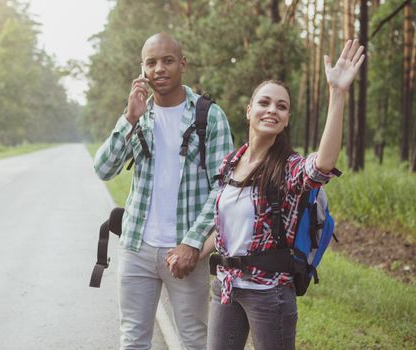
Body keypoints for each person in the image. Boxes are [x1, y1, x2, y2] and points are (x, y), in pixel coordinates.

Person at [167, 39, 365, 349]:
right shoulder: (230, 163)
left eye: (281, 106)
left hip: (270, 293)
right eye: (264, 102)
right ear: (249, 111)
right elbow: (224, 230)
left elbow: (322, 165)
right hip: (227, 287)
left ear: (286, 120)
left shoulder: (288, 168)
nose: (272, 109)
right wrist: (193, 250)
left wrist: (337, 94)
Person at [93, 32, 233, 350]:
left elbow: (224, 187)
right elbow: (104, 169)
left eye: (167, 60)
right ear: (142, 69)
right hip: (136, 246)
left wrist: (192, 243)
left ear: (182, 64)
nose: (159, 68)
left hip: (186, 250)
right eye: (151, 62)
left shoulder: (209, 116)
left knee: (194, 341)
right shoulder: (139, 115)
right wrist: (129, 117)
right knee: (132, 340)